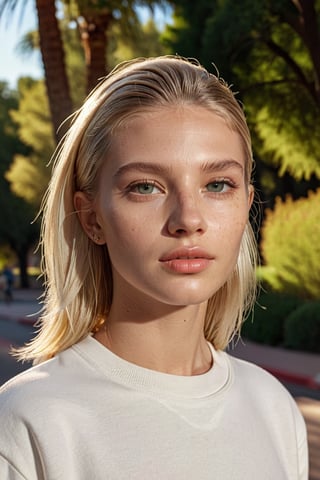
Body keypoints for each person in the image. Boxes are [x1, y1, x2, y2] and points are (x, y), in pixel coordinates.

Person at [0, 56, 308, 479]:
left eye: (217, 185)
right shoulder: (29, 422)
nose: (188, 218)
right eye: (145, 187)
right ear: (92, 218)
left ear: (246, 203)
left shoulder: (273, 407)